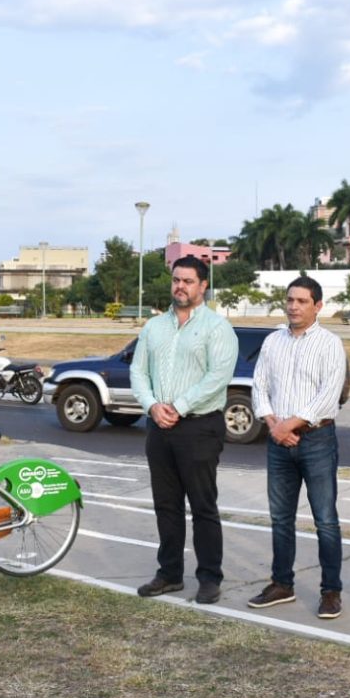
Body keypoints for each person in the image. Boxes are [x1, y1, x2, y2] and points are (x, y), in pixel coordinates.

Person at [131, 255, 239, 605]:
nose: (180, 286)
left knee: (203, 505)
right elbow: (138, 372)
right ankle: (169, 574)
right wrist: (152, 405)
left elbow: (217, 377)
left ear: (203, 286)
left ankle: (209, 577)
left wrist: (178, 406)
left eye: (188, 281)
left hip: (199, 426)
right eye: (176, 280)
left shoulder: (217, 328)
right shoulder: (154, 327)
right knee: (166, 504)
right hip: (159, 426)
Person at [247, 275, 348, 620]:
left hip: (317, 440)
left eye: (302, 301)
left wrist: (289, 424)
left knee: (325, 520)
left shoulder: (330, 344)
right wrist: (273, 424)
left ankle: (331, 591)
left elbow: (328, 396)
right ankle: (281, 584)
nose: (293, 306)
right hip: (279, 442)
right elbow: (259, 386)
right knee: (280, 518)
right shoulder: (273, 341)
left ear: (317, 306)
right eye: (290, 300)